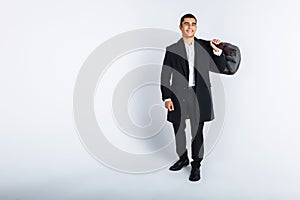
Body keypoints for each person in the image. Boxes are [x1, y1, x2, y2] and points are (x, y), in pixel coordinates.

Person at [160, 13, 227, 182]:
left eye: (193, 24)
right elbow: (165, 75)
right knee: (178, 129)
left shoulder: (205, 47)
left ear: (196, 27)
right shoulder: (172, 49)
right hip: (177, 95)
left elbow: (219, 67)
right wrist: (167, 98)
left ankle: (196, 165)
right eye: (187, 24)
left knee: (197, 132)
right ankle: (183, 159)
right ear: (181, 27)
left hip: (199, 95)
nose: (190, 27)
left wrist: (218, 51)